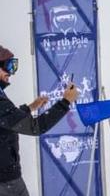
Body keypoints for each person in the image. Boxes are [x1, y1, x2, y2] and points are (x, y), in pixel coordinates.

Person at [0, 45, 79, 196]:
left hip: (10, 178)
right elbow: (35, 127)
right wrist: (65, 102)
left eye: (13, 65)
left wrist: (30, 107)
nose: (11, 72)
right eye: (7, 66)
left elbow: (7, 120)